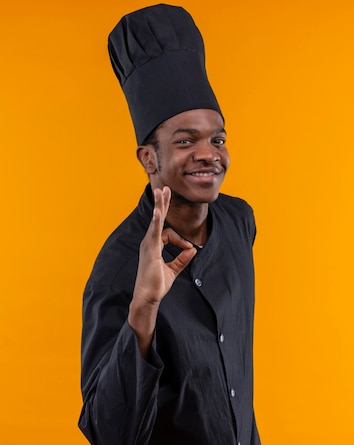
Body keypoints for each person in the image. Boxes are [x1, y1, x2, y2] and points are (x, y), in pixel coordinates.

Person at [79, 5, 261, 445]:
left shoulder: (240, 222)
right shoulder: (119, 269)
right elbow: (108, 431)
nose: (208, 154)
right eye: (185, 141)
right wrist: (142, 311)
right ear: (148, 158)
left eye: (217, 139)